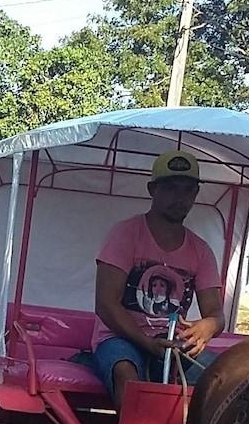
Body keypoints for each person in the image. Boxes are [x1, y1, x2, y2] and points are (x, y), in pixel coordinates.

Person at [83, 149, 225, 400]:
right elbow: (106, 304)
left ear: (196, 194)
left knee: (224, 380)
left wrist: (208, 326)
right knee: (126, 374)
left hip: (173, 344)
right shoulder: (125, 234)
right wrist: (147, 343)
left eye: (187, 189)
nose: (179, 198)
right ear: (152, 190)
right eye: (170, 188)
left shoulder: (201, 250)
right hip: (120, 339)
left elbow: (216, 313)